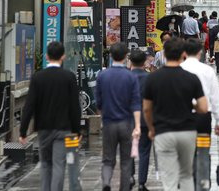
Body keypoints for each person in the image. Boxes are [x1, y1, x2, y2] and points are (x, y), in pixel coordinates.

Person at [143, 38, 208, 191]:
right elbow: (204, 108)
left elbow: (146, 108)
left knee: (169, 178)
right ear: (183, 54)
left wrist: (152, 129)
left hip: (163, 132)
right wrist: (191, 104)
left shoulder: (152, 78)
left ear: (164, 54)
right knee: (186, 174)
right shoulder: (191, 78)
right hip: (187, 131)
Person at [19, 41, 81, 191]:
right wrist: (77, 130)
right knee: (59, 164)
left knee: (45, 164)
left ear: (46, 56)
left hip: (43, 128)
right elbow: (75, 106)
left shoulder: (38, 77)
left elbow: (29, 105)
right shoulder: (69, 77)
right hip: (63, 128)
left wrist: (23, 131)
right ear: (63, 56)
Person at [95, 42, 142, 191]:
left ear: (111, 56)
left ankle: (107, 182)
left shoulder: (102, 75)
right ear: (125, 56)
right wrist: (138, 126)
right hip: (127, 123)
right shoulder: (130, 76)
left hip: (109, 123)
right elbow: (135, 103)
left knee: (108, 159)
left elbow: (99, 102)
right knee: (126, 161)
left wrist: (103, 117)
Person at [181, 39, 219, 190]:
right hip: (203, 118)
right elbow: (215, 97)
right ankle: (203, 183)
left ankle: (187, 183)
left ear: (184, 53)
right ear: (200, 52)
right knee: (203, 151)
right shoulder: (207, 71)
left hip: (183, 118)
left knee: (185, 152)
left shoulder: (179, 69)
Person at [128, 50, 152, 191]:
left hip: (127, 119)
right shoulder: (149, 78)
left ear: (130, 62)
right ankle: (142, 182)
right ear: (144, 62)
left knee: (128, 149)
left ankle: (130, 176)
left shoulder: (124, 77)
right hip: (144, 119)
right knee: (144, 151)